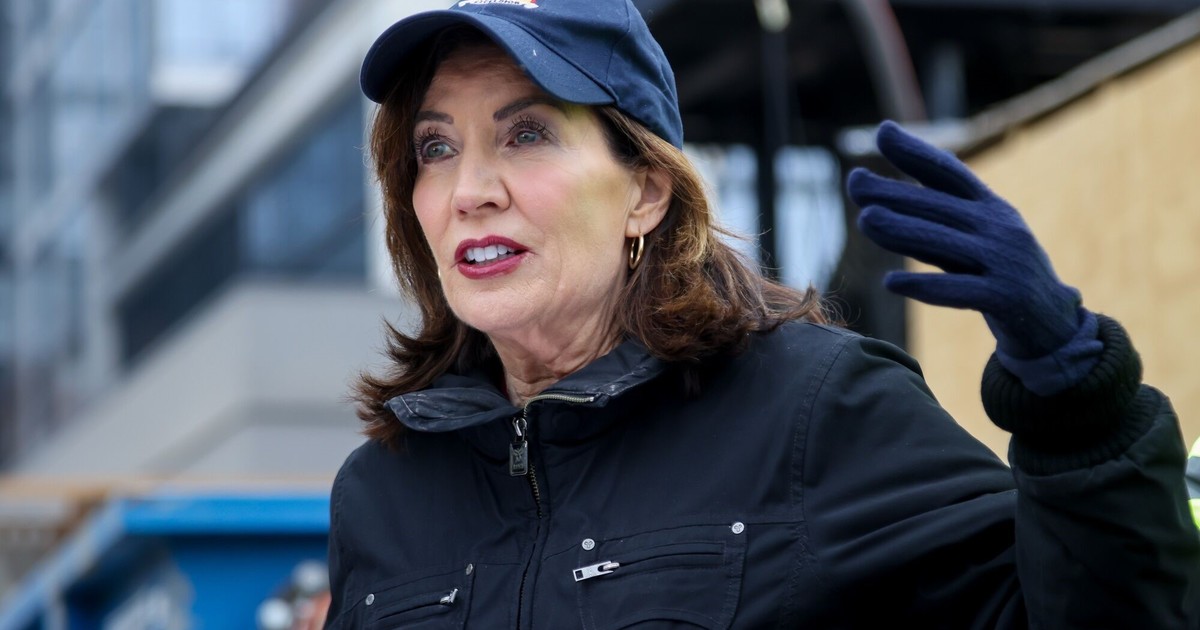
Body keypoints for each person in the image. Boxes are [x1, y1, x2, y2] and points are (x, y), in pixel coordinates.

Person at [324, 0, 1200, 627]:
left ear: (645, 192)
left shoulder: (815, 411)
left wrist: (1078, 404)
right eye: (435, 147)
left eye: (527, 134)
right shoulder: (383, 492)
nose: (470, 190)